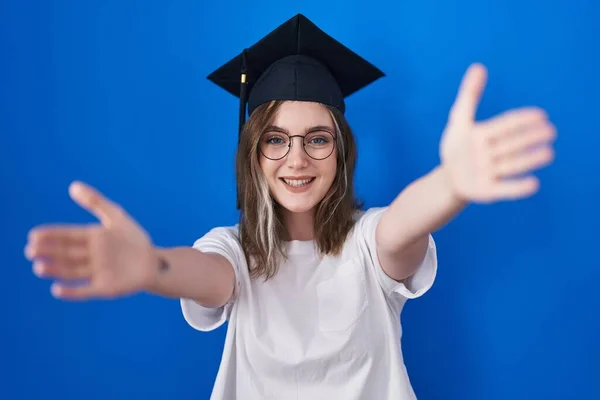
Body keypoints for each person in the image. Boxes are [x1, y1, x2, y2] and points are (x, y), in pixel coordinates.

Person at [24, 13, 556, 400]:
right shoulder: (232, 250)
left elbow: (402, 227)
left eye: (317, 139)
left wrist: (452, 183)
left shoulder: (368, 244)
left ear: (341, 150)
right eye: (275, 139)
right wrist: (152, 268)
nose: (296, 159)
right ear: (253, 153)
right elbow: (207, 276)